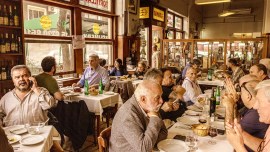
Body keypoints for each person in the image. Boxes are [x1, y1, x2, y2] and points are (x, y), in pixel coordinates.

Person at [109, 80, 168, 152]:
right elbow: (144, 148)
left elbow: (164, 132)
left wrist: (150, 142)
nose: (161, 101)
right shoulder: (128, 115)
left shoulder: (150, 106)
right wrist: (154, 118)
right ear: (143, 99)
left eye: (161, 96)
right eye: (157, 97)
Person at [224, 75, 268, 152]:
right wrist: (242, 133)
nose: (255, 106)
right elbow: (265, 148)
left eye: (259, 101)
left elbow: (228, 134)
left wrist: (238, 146)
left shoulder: (254, 115)